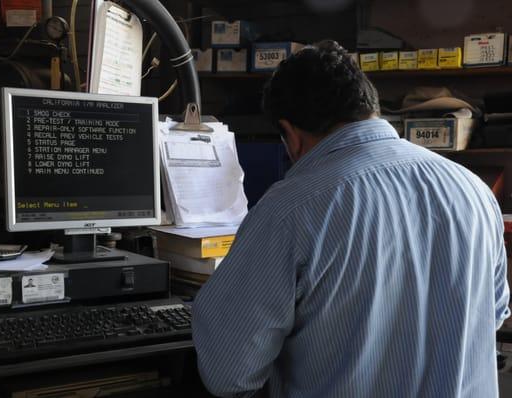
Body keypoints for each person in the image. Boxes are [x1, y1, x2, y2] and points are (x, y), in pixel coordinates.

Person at [192, 40, 510, 398]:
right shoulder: (474, 190)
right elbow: (493, 314)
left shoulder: (290, 210)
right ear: (369, 106)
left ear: (290, 135)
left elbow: (229, 376)